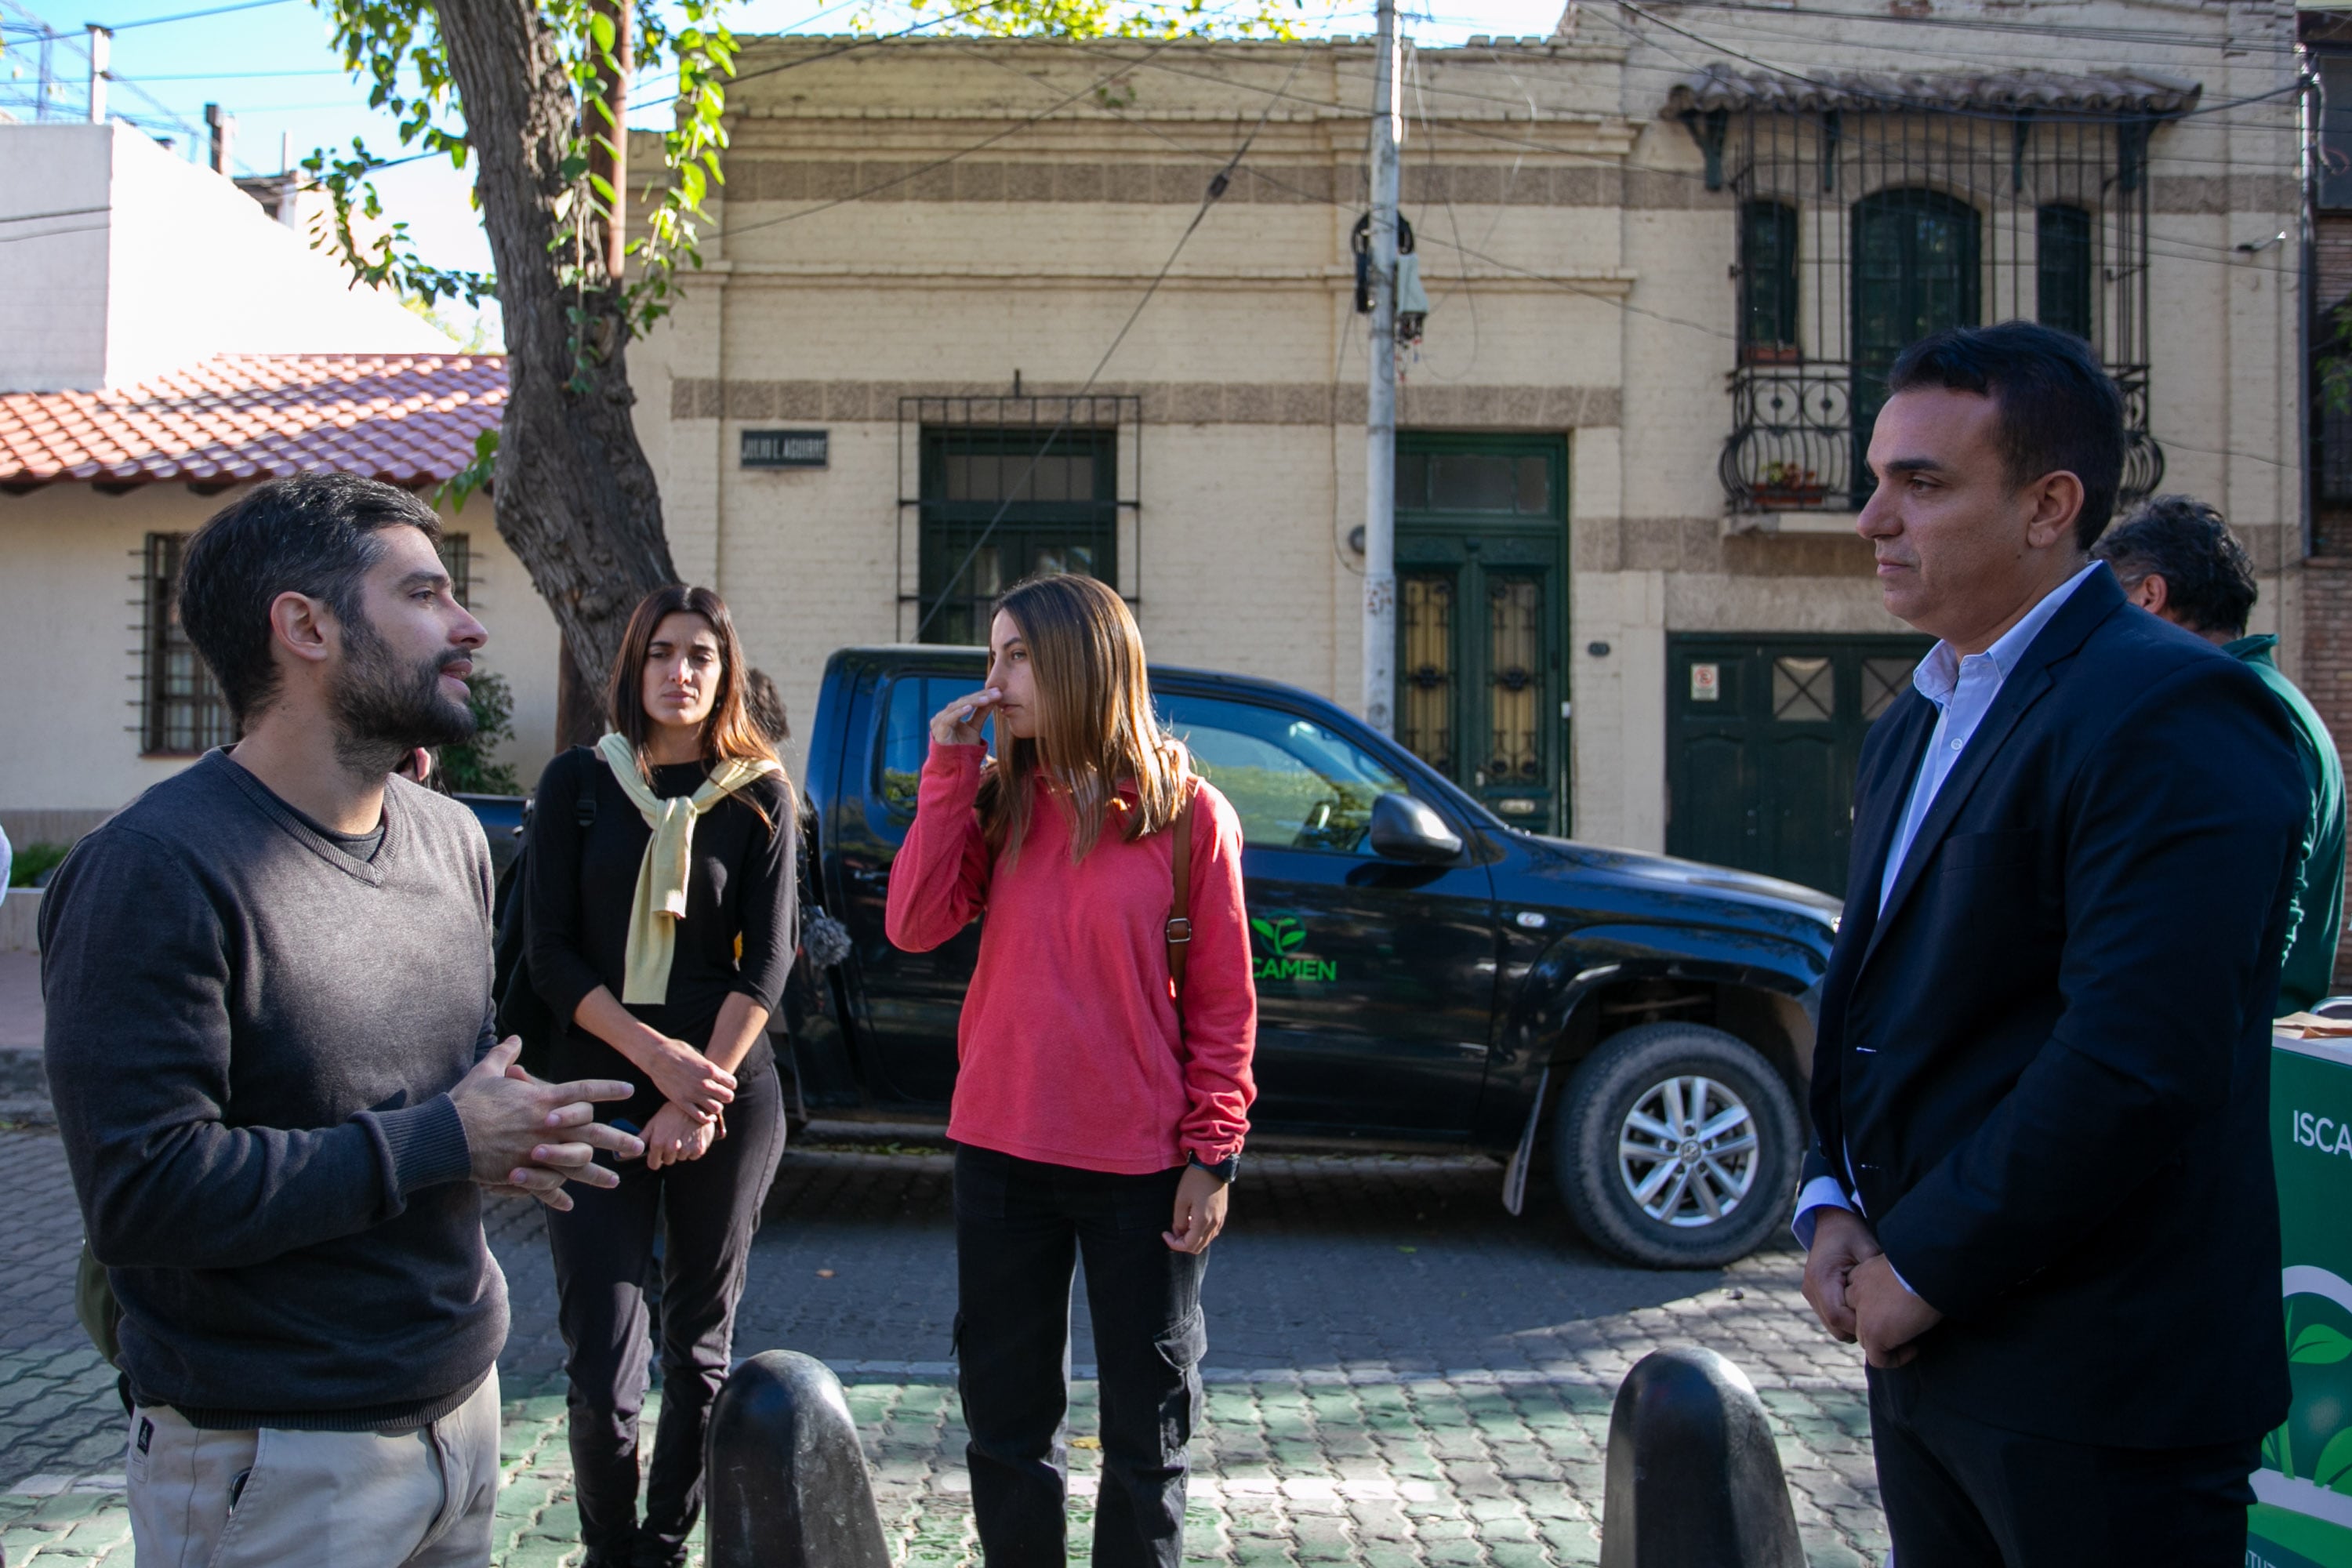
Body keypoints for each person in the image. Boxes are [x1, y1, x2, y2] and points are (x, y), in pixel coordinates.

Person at [40, 473, 643, 1568]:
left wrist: (501, 1138)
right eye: (423, 595)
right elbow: (145, 1194)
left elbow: (427, 1103)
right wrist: (446, 1139)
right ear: (304, 627)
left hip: (461, 1418)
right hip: (270, 1463)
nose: (466, 626)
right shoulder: (151, 872)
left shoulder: (452, 839)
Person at [1798, 323, 2307, 1562]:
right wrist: (1832, 1200)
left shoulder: (2174, 708)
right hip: (1926, 1360)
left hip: (2102, 1390)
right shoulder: (1916, 715)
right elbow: (1877, 993)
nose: (1874, 519)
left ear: (2049, 507)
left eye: (1922, 484)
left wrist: (1924, 1266)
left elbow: (2139, 1055)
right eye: (1878, 478)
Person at [885, 572, 1256, 1568]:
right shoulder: (999, 797)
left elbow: (1224, 1005)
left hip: (1141, 1168)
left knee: (1149, 1437)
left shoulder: (1187, 813)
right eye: (991, 656)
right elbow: (914, 923)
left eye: (1016, 656)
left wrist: (1212, 1154)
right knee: (1007, 1431)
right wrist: (948, 768)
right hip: (1001, 1152)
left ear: (1081, 664)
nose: (994, 678)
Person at [523, 584, 798, 1568]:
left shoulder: (761, 794)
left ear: (724, 673)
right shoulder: (578, 785)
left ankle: (665, 1542)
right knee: (601, 1365)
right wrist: (657, 1068)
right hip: (595, 1089)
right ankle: (609, 1546)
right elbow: (548, 954)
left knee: (699, 1346)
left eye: (701, 656)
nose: (681, 673)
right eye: (662, 653)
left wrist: (700, 1089)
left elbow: (768, 961)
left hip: (728, 1093)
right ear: (632, 665)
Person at [2093, 495, 2347, 1014]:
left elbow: (2257, 919)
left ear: (2149, 596)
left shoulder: (2232, 707)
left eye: (2102, 603)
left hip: (2238, 1066)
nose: (2094, 628)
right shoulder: (2263, 695)